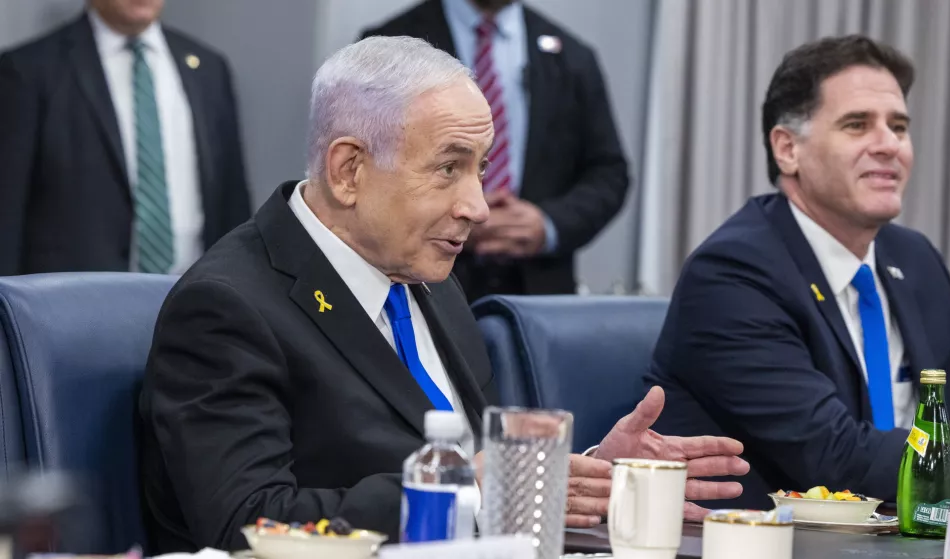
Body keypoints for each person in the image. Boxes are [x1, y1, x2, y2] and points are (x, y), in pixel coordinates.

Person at [139, 36, 748, 553]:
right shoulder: (228, 307)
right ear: (349, 170)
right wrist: (463, 489)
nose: (477, 207)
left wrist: (572, 474)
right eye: (448, 168)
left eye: (479, 170)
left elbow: (482, 474)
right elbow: (246, 524)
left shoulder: (432, 284)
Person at [645, 34, 950, 510]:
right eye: (858, 125)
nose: (888, 145)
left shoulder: (916, 260)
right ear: (787, 149)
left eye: (899, 127)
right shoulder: (733, 275)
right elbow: (836, 458)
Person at [361, 0, 629, 302]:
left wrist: (548, 224)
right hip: (420, 290)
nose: (481, 211)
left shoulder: (571, 55)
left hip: (538, 292)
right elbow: (371, 168)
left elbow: (609, 173)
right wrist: (447, 217)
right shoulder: (390, 47)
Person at [0, 0, 250, 276]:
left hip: (193, 295)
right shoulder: (28, 70)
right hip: (75, 300)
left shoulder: (208, 68)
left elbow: (232, 200)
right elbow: (7, 210)